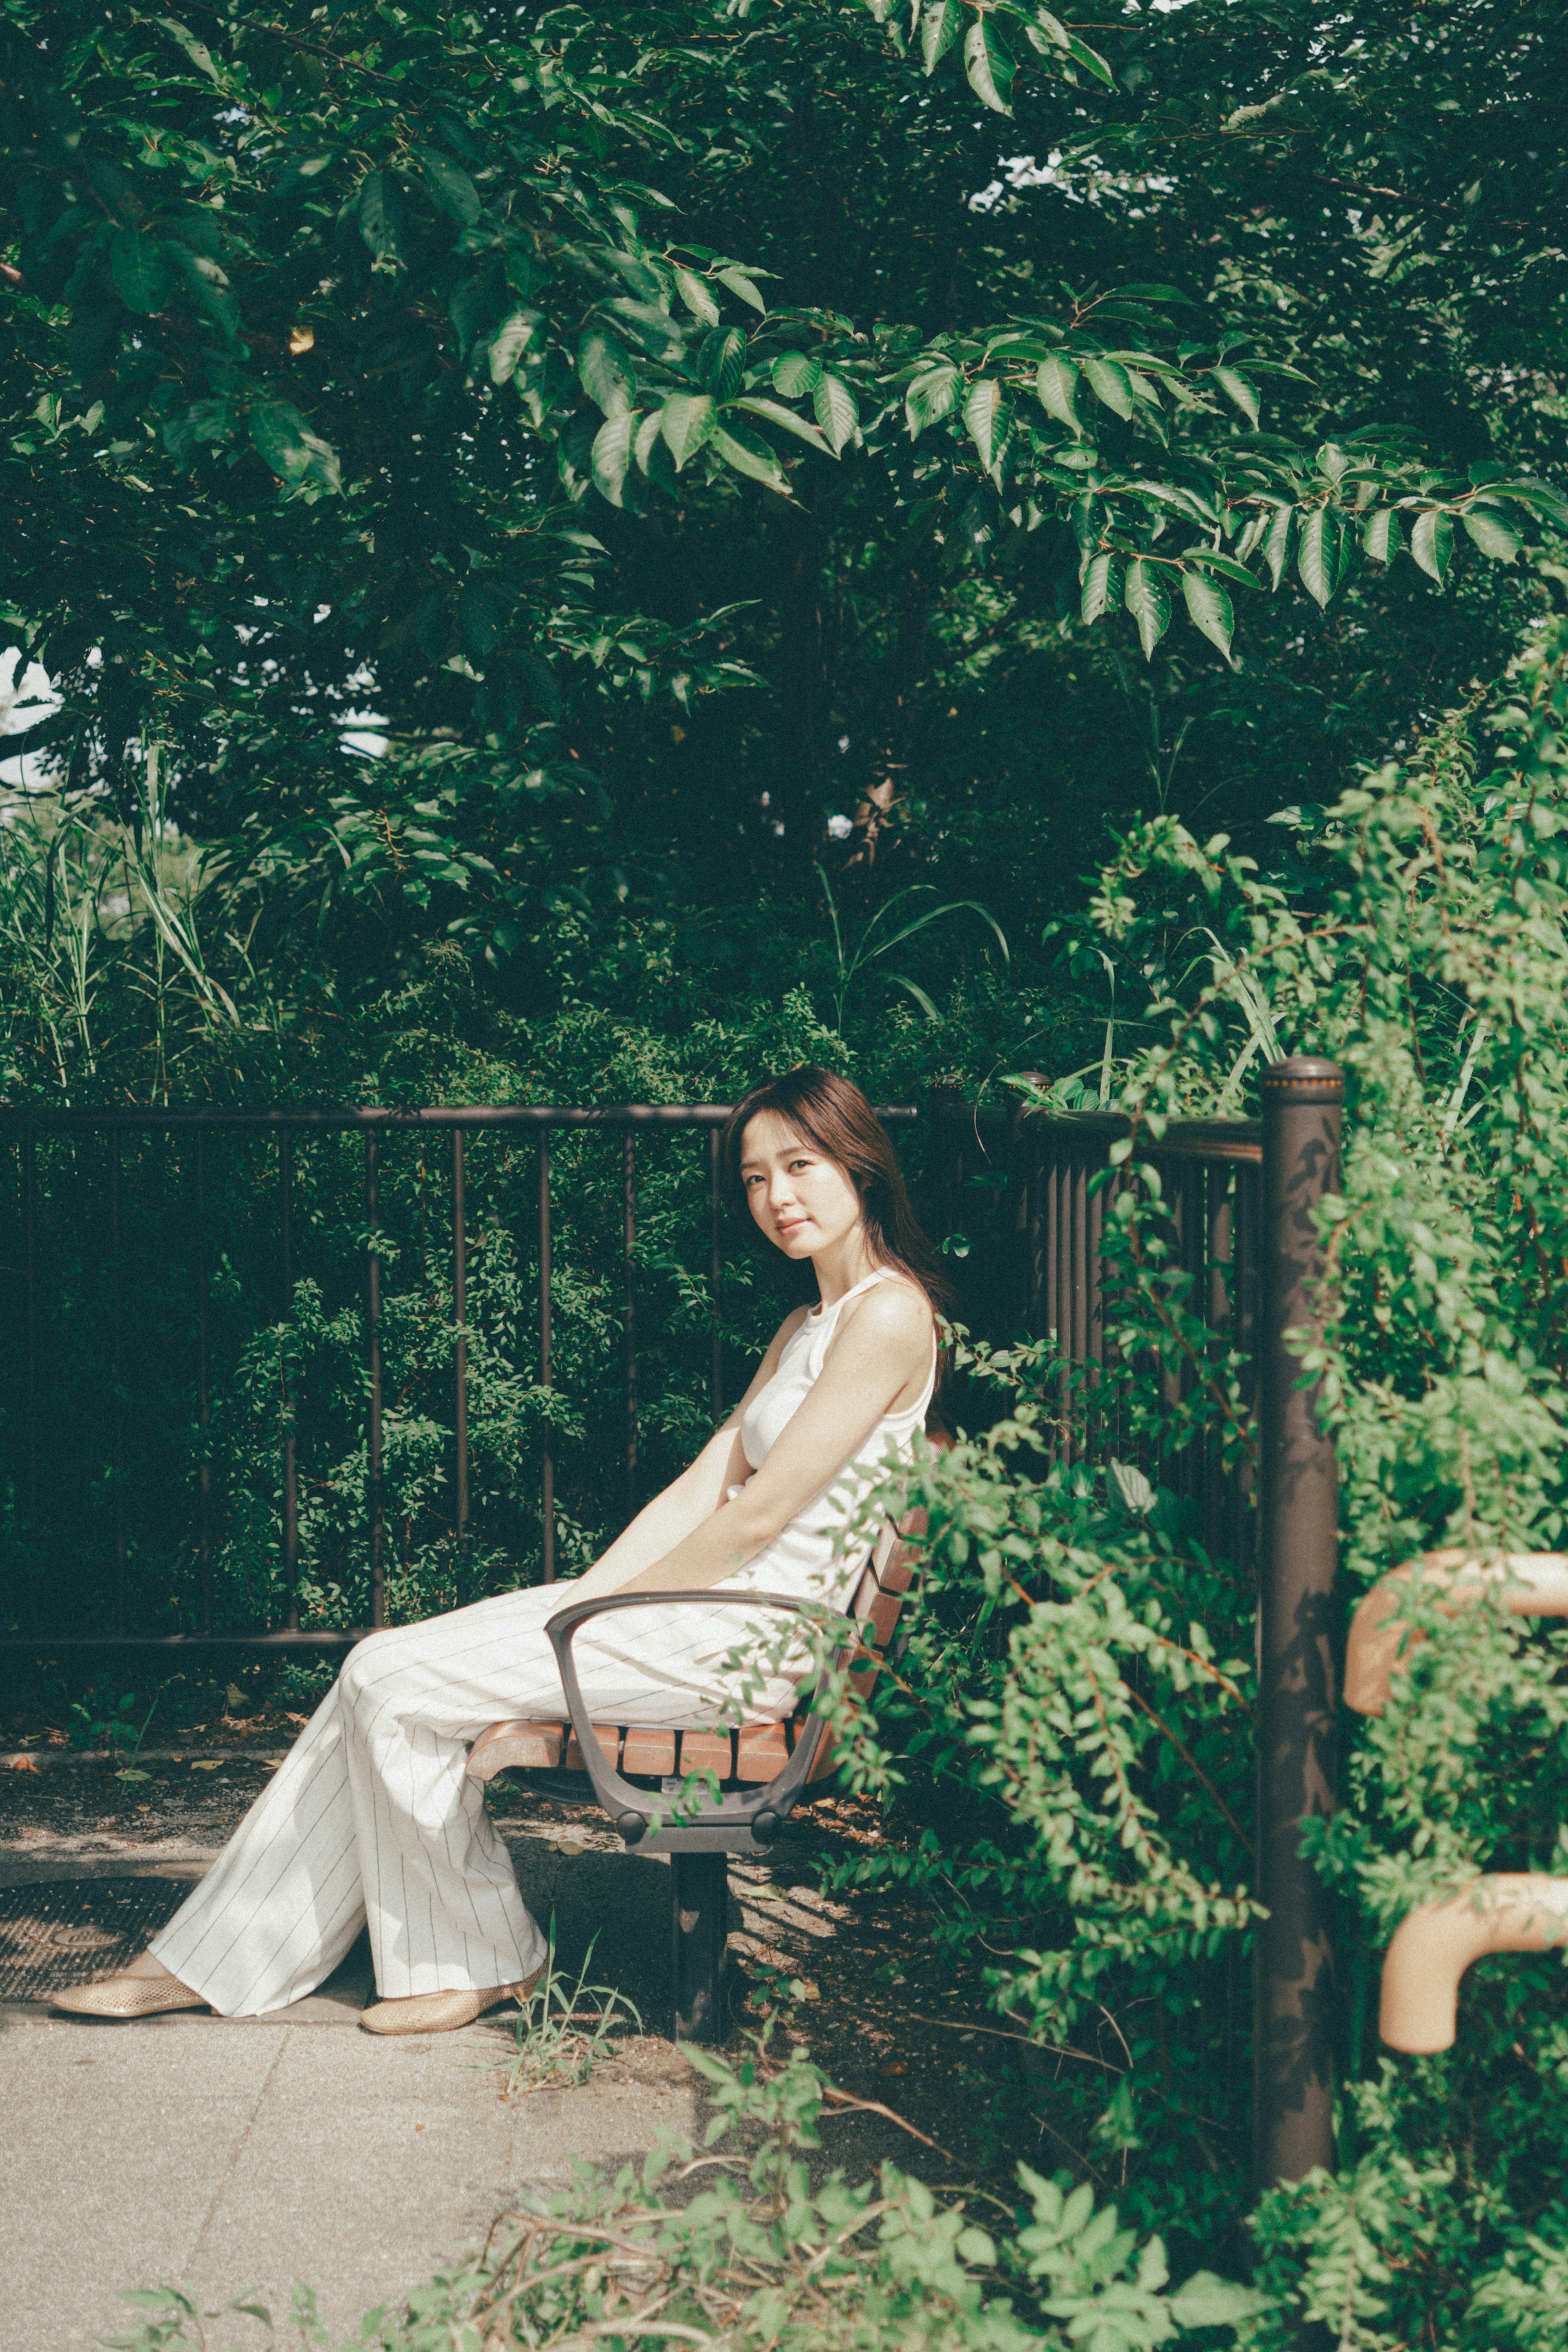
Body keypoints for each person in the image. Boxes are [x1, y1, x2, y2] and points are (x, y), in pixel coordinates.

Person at [52, 1067, 944, 2033]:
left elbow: (758, 1517)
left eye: (800, 1165)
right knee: (377, 1676)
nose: (777, 1197)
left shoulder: (889, 1315)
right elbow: (701, 1484)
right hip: (698, 1615)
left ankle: (463, 1959)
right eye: (754, 1177)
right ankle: (220, 1957)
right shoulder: (804, 1324)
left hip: (746, 1644)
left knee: (388, 1678)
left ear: (860, 1163)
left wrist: (605, 1614)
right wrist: (592, 1595)